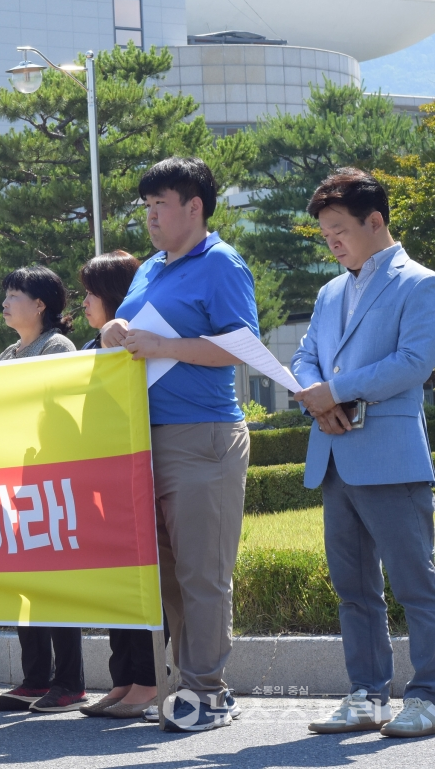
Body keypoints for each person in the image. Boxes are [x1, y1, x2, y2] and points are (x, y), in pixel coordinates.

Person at [101, 157, 257, 732]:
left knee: (202, 572)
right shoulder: (150, 270)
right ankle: (185, 682)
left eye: (160, 204)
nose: (150, 216)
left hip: (203, 436)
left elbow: (242, 346)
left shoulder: (221, 263)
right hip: (145, 438)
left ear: (195, 207)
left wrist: (164, 346)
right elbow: (130, 338)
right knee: (164, 573)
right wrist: (111, 332)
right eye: (146, 206)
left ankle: (208, 691)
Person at [291, 169, 435, 739]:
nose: (333, 242)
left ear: (376, 221)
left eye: (340, 230)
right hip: (333, 451)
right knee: (353, 587)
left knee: (415, 582)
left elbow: (414, 363)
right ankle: (367, 694)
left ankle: (426, 694)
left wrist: (338, 391)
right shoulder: (330, 291)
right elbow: (305, 359)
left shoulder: (419, 283)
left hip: (390, 453)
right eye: (326, 233)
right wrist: (316, 400)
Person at [0, 266, 87, 715]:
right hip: (17, 480)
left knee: (56, 581)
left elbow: (55, 411)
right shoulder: (9, 353)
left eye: (14, 294)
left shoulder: (57, 346)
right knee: (26, 582)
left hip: (49, 477)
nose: (5, 301)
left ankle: (69, 683)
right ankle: (34, 678)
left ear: (40, 304)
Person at [72, 251, 162, 720]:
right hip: (99, 477)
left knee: (140, 577)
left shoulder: (133, 343)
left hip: (129, 473)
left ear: (114, 296)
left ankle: (148, 681)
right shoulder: (92, 346)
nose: (85, 301)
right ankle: (123, 678)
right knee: (116, 580)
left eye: (91, 292)